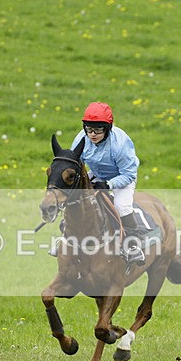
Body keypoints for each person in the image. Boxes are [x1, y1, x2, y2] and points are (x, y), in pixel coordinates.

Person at [70, 101, 146, 264]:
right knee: (74, 197)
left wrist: (109, 185)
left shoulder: (120, 144)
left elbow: (128, 174)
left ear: (108, 128)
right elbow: (76, 163)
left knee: (121, 206)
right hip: (97, 175)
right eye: (89, 129)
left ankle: (133, 246)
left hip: (122, 177)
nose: (93, 134)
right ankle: (67, 239)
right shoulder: (81, 139)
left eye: (98, 129)